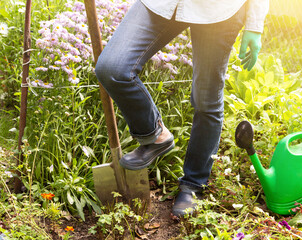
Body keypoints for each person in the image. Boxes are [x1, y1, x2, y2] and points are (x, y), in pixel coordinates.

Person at [95, 0, 269, 217]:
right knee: (113, 68)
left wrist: (254, 24)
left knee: (206, 99)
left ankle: (194, 184)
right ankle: (154, 136)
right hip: (159, 4)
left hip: (220, 10)